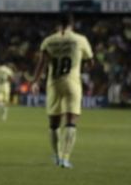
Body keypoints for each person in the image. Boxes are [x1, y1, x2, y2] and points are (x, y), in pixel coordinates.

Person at [33, 14, 94, 169]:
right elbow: (90, 62)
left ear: (57, 25)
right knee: (71, 122)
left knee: (53, 124)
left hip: (53, 84)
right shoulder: (80, 40)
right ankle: (65, 158)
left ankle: (56, 155)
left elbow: (42, 63)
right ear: (72, 24)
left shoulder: (48, 41)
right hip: (72, 83)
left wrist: (34, 81)